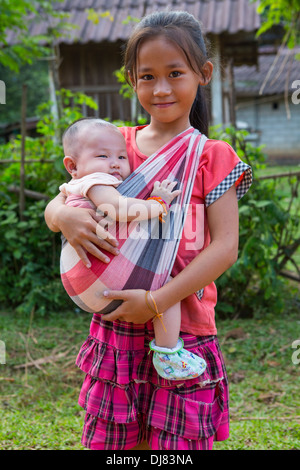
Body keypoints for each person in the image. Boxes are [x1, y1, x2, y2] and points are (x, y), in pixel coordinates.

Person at [44, 10, 252, 451]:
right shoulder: (113, 146)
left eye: (175, 73)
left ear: (203, 74)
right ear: (132, 80)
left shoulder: (212, 156)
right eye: (147, 76)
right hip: (117, 318)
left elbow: (226, 248)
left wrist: (157, 301)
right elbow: (68, 196)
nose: (160, 88)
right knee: (120, 441)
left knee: (175, 443)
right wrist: (61, 217)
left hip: (183, 326)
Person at [59, 117, 207, 380]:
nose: (115, 162)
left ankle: (167, 352)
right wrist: (159, 203)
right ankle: (168, 353)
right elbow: (120, 209)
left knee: (165, 289)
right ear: (72, 166)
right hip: (96, 270)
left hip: (90, 274)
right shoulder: (96, 183)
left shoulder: (81, 183)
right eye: (103, 156)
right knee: (167, 288)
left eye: (120, 156)